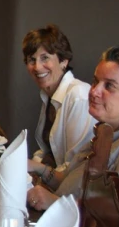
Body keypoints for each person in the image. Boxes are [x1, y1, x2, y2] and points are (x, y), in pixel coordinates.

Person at [27, 45, 119, 211]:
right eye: (95, 82)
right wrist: (38, 169)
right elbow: (70, 183)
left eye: (109, 86)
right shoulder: (109, 132)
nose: (94, 91)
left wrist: (56, 204)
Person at [22, 25, 97, 183]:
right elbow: (47, 151)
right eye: (31, 60)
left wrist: (38, 169)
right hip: (51, 182)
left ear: (64, 61)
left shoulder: (78, 96)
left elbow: (76, 169)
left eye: (45, 58)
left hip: (70, 193)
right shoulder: (48, 94)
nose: (37, 67)